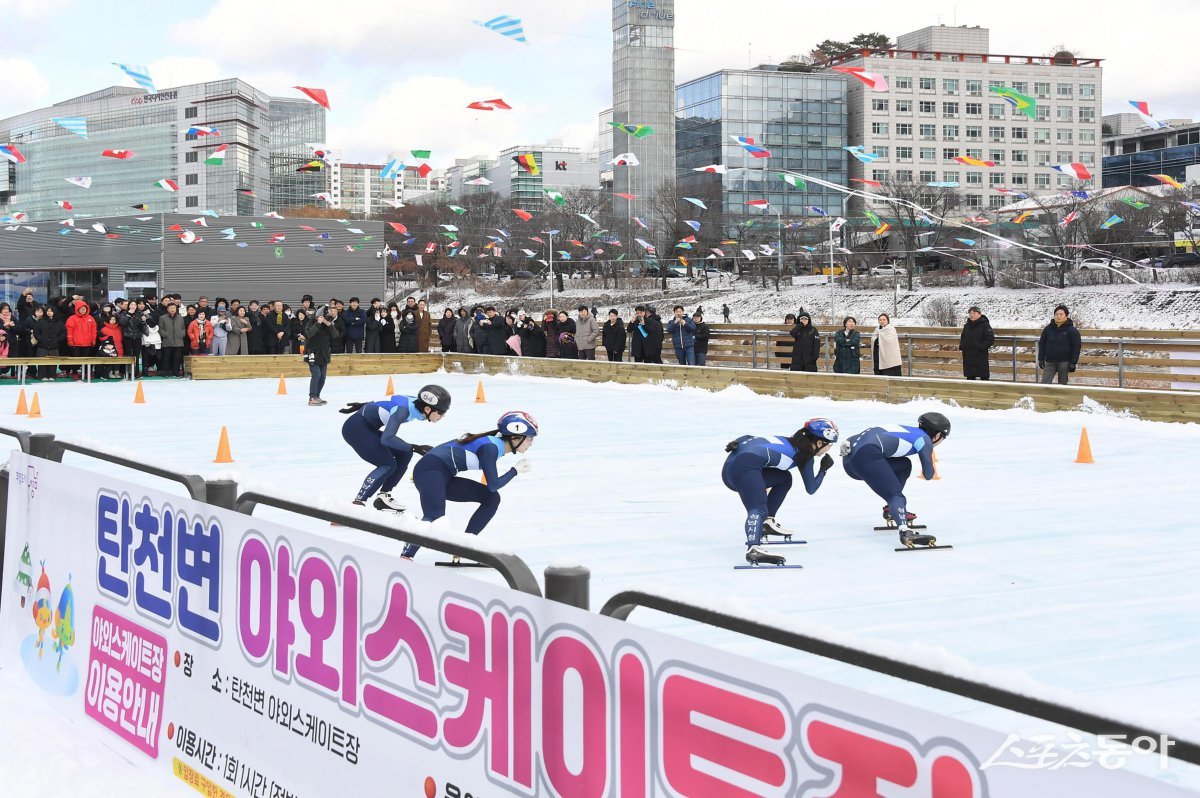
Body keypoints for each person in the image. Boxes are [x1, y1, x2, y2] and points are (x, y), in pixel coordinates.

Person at [400, 410, 538, 560]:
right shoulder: (490, 448)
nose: (531, 443)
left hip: (442, 475)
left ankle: (462, 546)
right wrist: (515, 471)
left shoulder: (493, 444)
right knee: (434, 517)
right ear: (515, 437)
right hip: (430, 472)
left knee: (491, 499)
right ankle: (406, 556)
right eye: (530, 438)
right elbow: (493, 484)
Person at [722, 418, 839, 566]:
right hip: (744, 468)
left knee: (784, 478)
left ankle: (766, 523)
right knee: (758, 508)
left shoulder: (789, 441)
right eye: (829, 445)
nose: (829, 449)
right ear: (819, 442)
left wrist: (736, 441)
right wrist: (823, 470)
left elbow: (748, 438)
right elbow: (811, 488)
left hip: (731, 465)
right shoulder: (806, 456)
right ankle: (753, 549)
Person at [841, 412, 950, 546]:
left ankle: (892, 510)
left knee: (904, 465)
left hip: (849, 462)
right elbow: (928, 475)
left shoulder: (908, 430)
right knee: (896, 496)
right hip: (866, 457)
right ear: (938, 435)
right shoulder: (924, 439)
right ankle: (905, 532)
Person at [339, 384, 451, 509]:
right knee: (387, 464)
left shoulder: (414, 402)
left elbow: (391, 400)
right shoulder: (403, 411)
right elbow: (387, 439)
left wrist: (364, 405)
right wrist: (415, 447)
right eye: (441, 412)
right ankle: (357, 503)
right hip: (356, 429)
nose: (442, 417)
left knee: (405, 453)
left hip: (368, 427)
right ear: (427, 409)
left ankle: (383, 496)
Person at [304, 305, 341, 405]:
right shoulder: (311, 322)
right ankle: (312, 398)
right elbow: (309, 334)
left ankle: (317, 396)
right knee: (316, 375)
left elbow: (335, 335)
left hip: (324, 353)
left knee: (323, 377)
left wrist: (328, 324)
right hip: (312, 353)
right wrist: (317, 323)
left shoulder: (328, 323)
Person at [1037, 304, 1081, 385]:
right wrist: (1041, 359)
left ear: (1066, 316)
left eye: (1061, 314)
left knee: (1062, 385)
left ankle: (1061, 397)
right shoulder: (1048, 329)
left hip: (1064, 362)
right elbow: (1042, 344)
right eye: (1056, 314)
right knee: (1044, 383)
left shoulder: (1072, 330)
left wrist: (1073, 362)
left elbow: (1076, 347)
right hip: (1050, 361)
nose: (1058, 316)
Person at [959, 305, 995, 381]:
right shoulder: (967, 326)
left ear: (979, 314)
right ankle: (970, 392)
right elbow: (963, 337)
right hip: (968, 355)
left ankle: (985, 392)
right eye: (970, 313)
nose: (972, 315)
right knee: (970, 377)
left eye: (974, 313)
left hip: (980, 355)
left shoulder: (985, 325)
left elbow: (990, 338)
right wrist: (962, 346)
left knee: (984, 377)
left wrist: (981, 347)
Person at [66, 299, 98, 377]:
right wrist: (70, 340)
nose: (83, 310)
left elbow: (94, 330)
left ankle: (86, 373)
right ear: (77, 309)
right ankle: (75, 372)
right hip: (76, 343)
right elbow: (69, 331)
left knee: (86, 359)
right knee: (75, 359)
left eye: (85, 308)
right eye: (81, 308)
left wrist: (93, 339)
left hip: (87, 343)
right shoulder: (72, 318)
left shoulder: (91, 318)